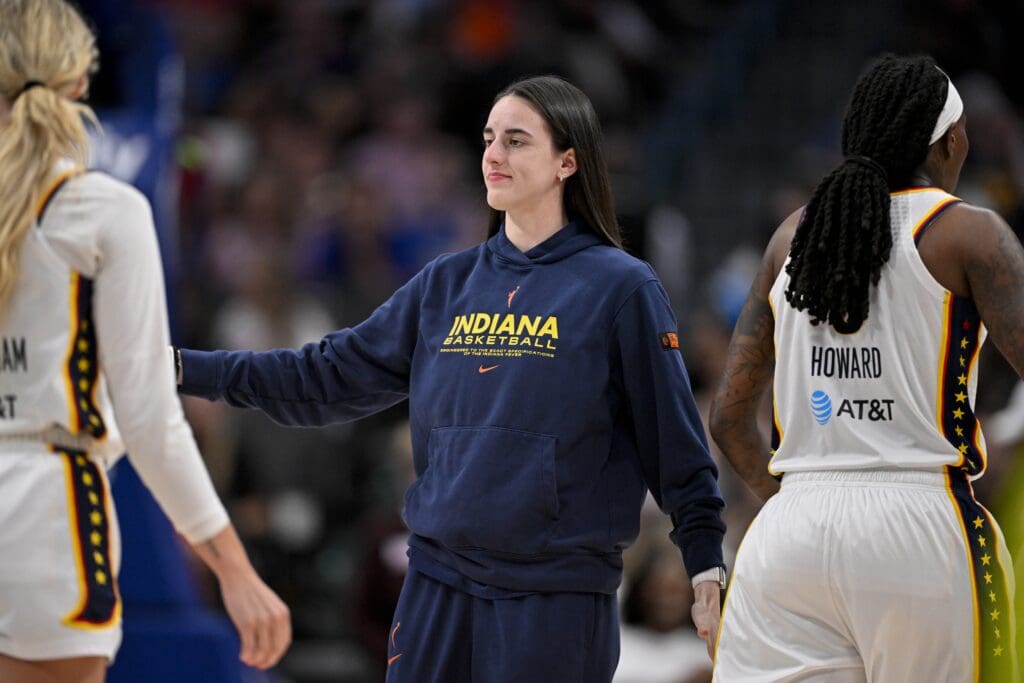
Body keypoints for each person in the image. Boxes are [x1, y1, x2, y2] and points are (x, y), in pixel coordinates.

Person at [175, 75, 726, 682]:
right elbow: (324, 376)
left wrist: (704, 561)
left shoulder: (621, 288)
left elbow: (674, 442)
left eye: (517, 141)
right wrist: (182, 368)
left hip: (554, 599)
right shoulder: (444, 284)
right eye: (490, 138)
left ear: (567, 161)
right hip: (436, 587)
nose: (494, 154)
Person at [0, 2, 290, 681]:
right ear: (76, 84)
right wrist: (234, 566)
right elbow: (152, 419)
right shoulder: (103, 211)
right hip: (45, 513)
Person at [709, 53, 1020, 681]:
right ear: (952, 141)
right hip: (920, 528)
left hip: (788, 533)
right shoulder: (971, 235)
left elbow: (727, 419)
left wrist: (795, 500)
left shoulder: (788, 238)